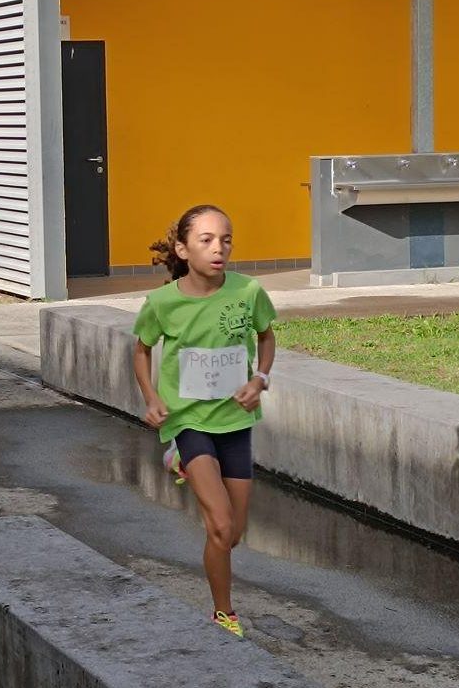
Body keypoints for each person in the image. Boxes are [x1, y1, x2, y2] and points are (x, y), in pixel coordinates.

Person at [132, 204, 276, 638]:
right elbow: (141, 350)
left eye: (226, 240)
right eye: (207, 240)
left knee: (233, 534)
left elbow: (266, 336)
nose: (219, 249)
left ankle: (180, 462)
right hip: (187, 421)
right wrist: (152, 397)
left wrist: (260, 378)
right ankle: (224, 613)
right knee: (220, 524)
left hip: (235, 421)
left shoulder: (248, 292)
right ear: (183, 249)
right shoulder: (162, 303)